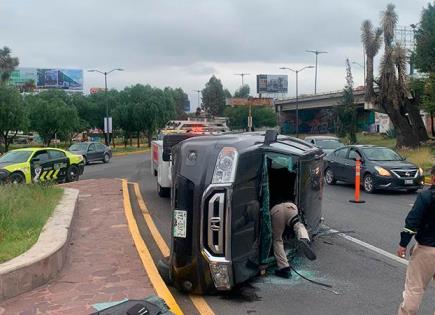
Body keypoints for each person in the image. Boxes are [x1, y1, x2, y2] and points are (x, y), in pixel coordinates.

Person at [397, 166, 435, 315]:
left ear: (432, 178)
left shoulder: (426, 197)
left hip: (427, 250)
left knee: (415, 288)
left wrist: (403, 244)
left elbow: (412, 222)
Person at [271, 202, 316, 278]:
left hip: (276, 212)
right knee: (298, 225)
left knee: (277, 240)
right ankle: (304, 238)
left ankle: (284, 269)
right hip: (291, 207)